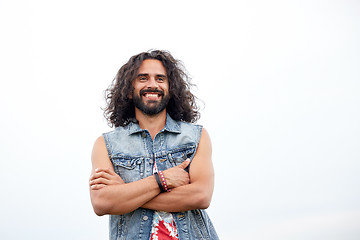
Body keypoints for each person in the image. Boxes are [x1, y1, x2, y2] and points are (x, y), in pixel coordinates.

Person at [89, 50, 219, 240]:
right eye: (143, 78)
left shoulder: (195, 137)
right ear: (129, 89)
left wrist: (126, 192)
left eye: (160, 79)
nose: (152, 84)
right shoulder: (106, 145)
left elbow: (201, 196)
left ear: (170, 88)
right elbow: (102, 202)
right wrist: (162, 180)